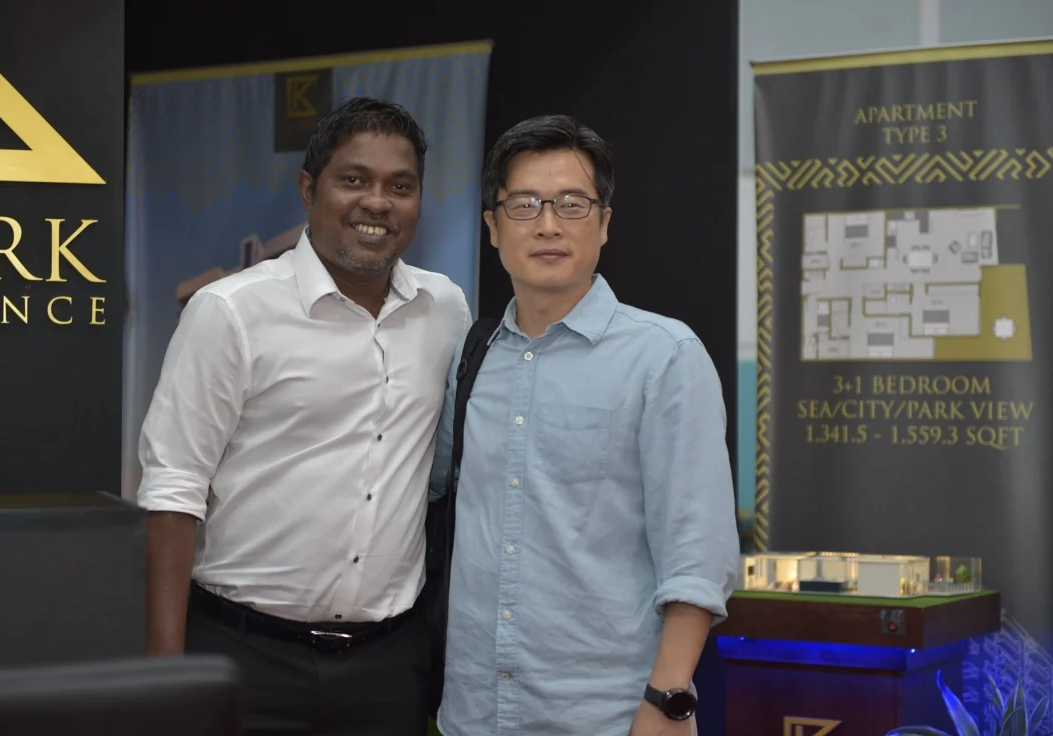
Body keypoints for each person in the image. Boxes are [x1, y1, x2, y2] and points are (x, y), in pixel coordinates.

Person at [136, 96, 471, 735]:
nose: (378, 202)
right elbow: (174, 489)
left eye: (400, 187)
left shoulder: (445, 309)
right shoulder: (230, 311)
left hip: (388, 668)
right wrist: (164, 680)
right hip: (244, 656)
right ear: (309, 190)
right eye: (354, 180)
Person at [430, 115, 740, 736]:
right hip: (473, 713)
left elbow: (697, 551)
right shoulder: (470, 358)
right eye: (524, 205)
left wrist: (668, 699)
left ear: (604, 223)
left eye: (572, 204)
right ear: (492, 227)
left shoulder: (664, 357)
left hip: (607, 715)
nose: (548, 225)